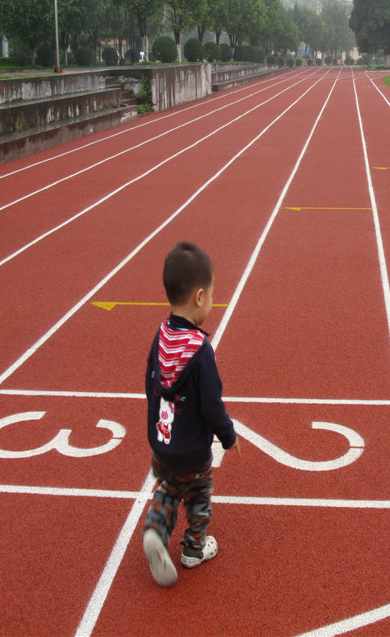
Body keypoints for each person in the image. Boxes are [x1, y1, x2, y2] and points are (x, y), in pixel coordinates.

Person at [142, 241, 240, 587]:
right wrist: (228, 437)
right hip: (194, 451)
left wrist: (157, 432)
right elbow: (212, 404)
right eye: (212, 294)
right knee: (199, 495)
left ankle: (156, 527)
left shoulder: (161, 335)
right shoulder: (200, 352)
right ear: (199, 297)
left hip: (162, 443)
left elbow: (149, 383)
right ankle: (194, 549)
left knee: (169, 486)